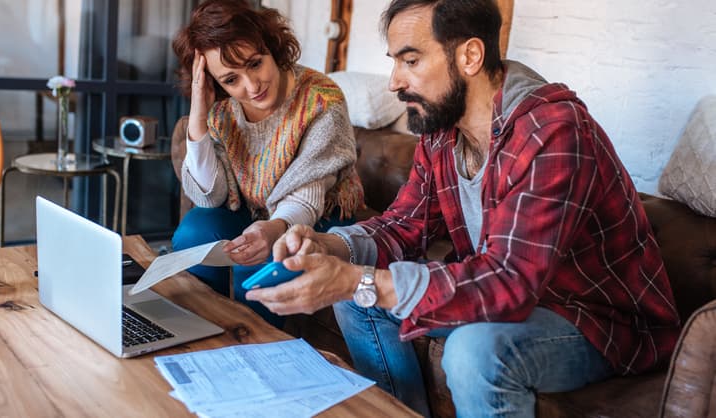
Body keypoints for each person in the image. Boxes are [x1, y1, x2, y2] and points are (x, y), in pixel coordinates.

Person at [244, 0, 682, 416]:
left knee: (474, 350)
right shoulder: (441, 131)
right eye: (395, 61)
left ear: (470, 55)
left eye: (410, 60)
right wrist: (327, 246)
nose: (394, 80)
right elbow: (402, 227)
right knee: (357, 296)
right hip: (517, 298)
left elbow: (510, 281)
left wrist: (358, 278)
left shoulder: (552, 131)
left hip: (597, 321)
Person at [170, 0, 364, 328]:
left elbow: (307, 195)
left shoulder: (321, 100)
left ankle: (256, 348)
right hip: (253, 209)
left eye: (255, 63)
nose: (251, 85)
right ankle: (202, 331)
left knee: (258, 264)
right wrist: (199, 117)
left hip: (318, 213)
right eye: (231, 80)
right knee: (193, 232)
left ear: (271, 46)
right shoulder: (220, 108)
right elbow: (209, 197)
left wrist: (274, 229)